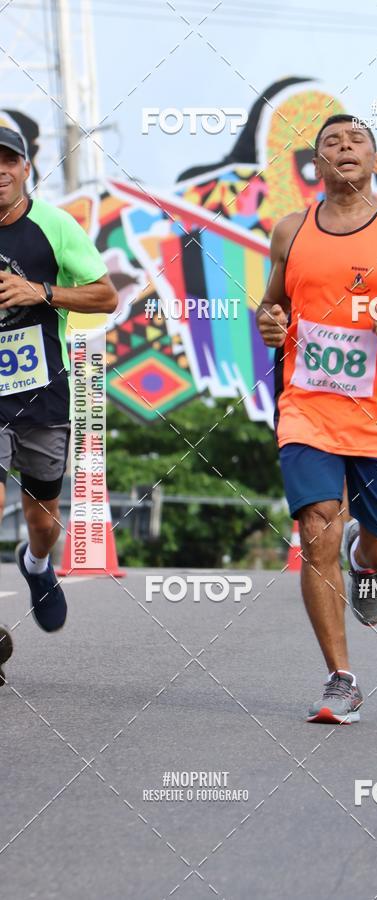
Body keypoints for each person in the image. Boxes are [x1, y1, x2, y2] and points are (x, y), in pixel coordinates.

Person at [256, 113, 377, 724]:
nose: (343, 149)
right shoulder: (290, 231)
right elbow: (274, 305)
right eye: (330, 144)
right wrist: (269, 322)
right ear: (317, 166)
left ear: (375, 161)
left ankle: (367, 561)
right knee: (315, 529)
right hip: (306, 408)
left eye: (356, 142)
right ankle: (340, 679)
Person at [0, 126, 117, 681]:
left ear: (26, 169)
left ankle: (37, 562)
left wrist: (40, 292)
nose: (0, 171)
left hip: (41, 393)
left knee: (42, 518)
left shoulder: (55, 226)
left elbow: (105, 294)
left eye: (9, 161)